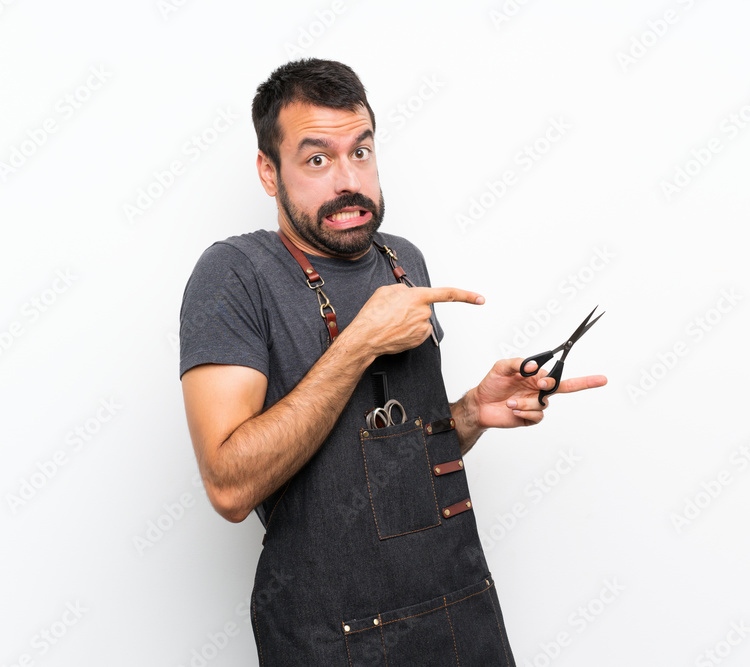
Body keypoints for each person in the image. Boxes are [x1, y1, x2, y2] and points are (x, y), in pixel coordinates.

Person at [178, 58, 606, 665]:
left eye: (362, 151)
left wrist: (471, 414)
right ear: (268, 173)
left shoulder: (404, 261)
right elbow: (228, 486)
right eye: (317, 159)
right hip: (331, 635)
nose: (347, 180)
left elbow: (394, 465)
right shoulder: (233, 275)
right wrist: (359, 341)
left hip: (460, 610)